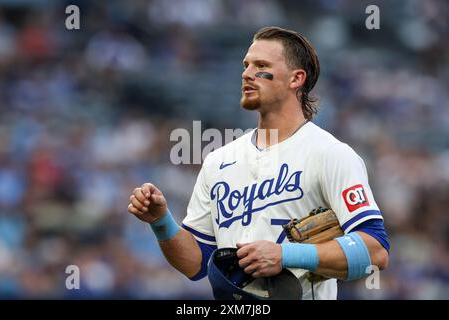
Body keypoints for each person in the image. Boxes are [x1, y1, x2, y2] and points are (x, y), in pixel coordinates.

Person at [127, 26, 389, 300]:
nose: (247, 73)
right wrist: (160, 221)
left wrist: (285, 255)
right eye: (246, 65)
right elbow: (196, 263)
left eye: (261, 65)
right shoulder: (219, 161)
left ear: (296, 78)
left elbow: (376, 252)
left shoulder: (330, 154)